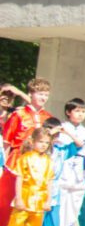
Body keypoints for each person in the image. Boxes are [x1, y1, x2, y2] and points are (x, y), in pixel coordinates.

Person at [1, 128, 55, 226]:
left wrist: (48, 200)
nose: (43, 145)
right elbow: (19, 179)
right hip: (25, 195)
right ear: (32, 142)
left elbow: (49, 182)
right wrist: (18, 198)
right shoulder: (25, 158)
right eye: (41, 142)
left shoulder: (49, 161)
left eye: (46, 143)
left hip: (40, 199)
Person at [0, 79, 52, 214]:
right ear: (30, 94)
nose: (43, 98)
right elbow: (6, 142)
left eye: (46, 95)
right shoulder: (18, 114)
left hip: (38, 164)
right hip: (17, 161)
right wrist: (6, 164)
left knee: (32, 204)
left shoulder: (48, 118)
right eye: (40, 94)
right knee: (6, 202)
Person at [52, 99, 85, 226]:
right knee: (59, 207)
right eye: (77, 111)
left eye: (83, 111)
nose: (80, 114)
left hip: (78, 170)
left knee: (73, 210)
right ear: (68, 112)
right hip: (64, 168)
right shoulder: (61, 128)